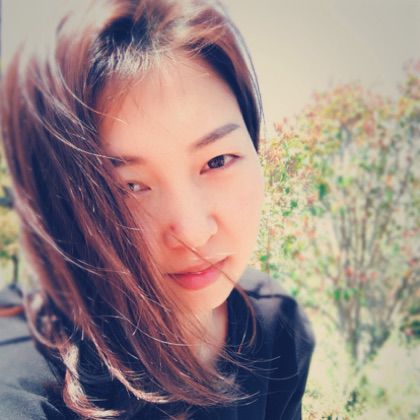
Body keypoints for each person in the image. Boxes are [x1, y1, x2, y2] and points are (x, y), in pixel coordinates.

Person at [0, 0, 315, 418]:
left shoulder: (276, 328)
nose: (194, 232)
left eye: (218, 160)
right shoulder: (25, 371)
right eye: (129, 187)